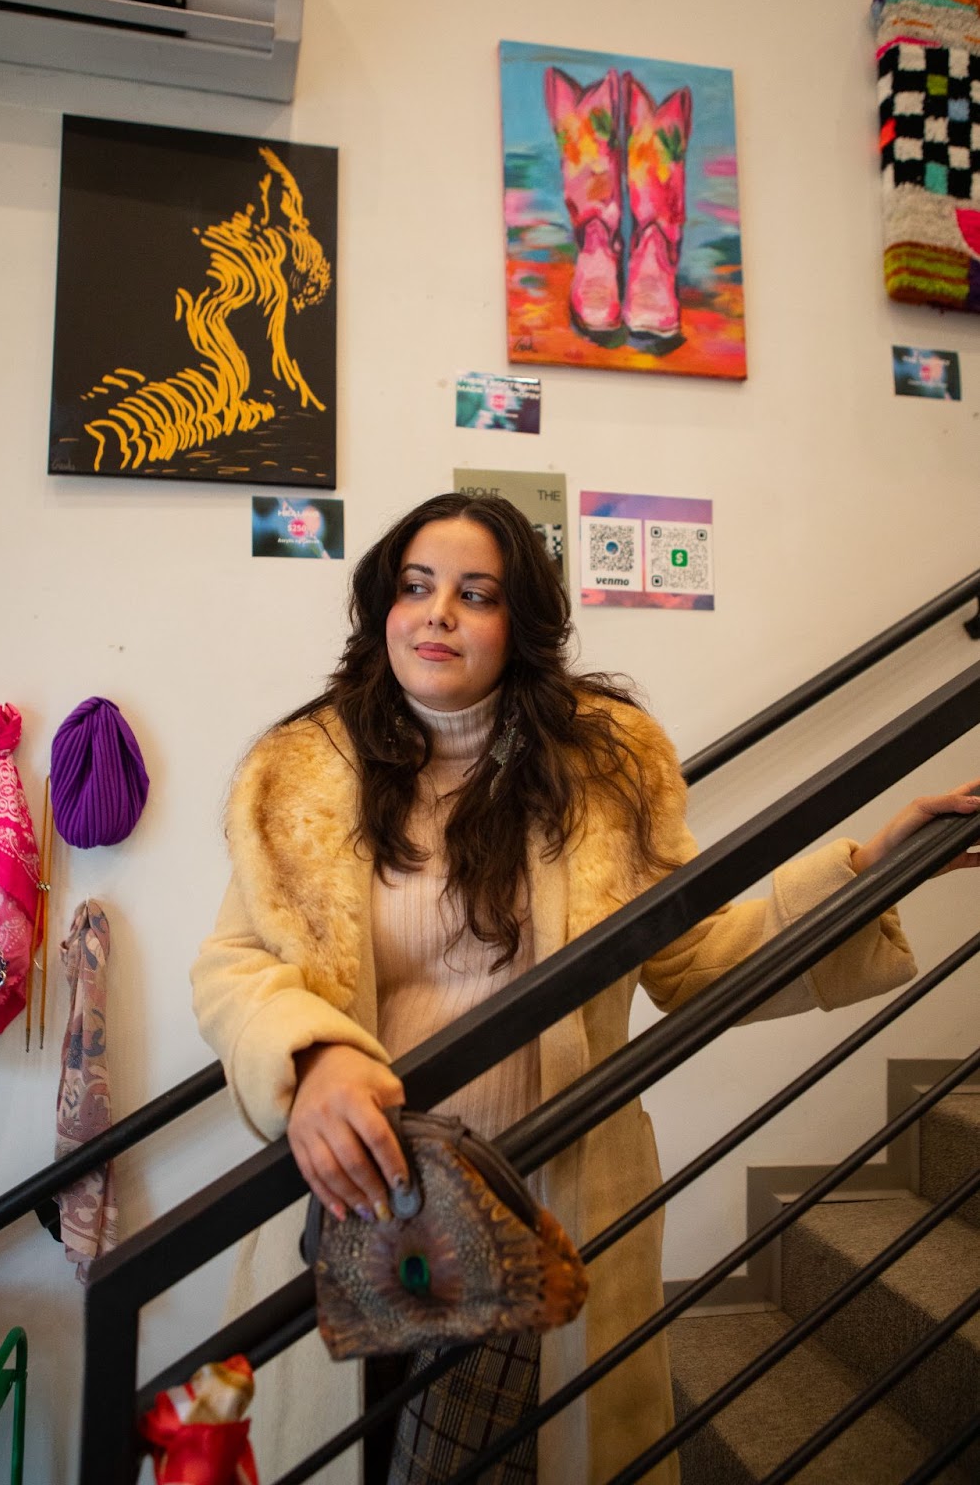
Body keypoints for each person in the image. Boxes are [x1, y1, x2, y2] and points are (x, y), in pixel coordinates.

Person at [191, 493, 978, 1485]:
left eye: (474, 594)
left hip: (543, 1201)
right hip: (362, 1195)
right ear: (380, 608)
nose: (436, 613)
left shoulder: (605, 772)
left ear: (520, 624)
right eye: (415, 587)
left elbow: (692, 956)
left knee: (515, 1460)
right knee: (366, 1450)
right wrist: (309, 1058)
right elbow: (233, 963)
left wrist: (866, 867)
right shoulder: (296, 778)